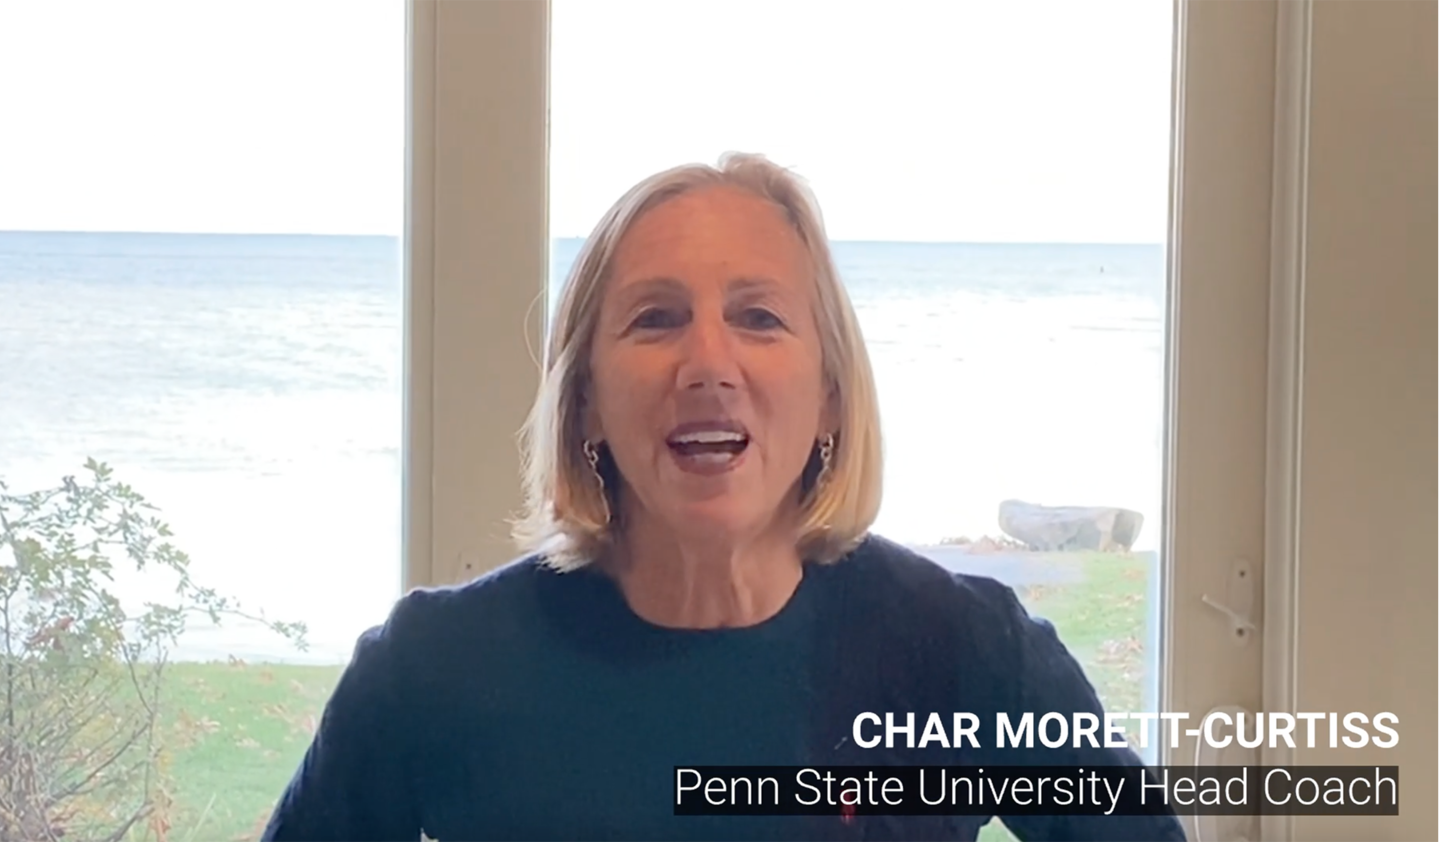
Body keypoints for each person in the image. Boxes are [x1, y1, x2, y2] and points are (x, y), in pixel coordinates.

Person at [259, 153, 1186, 842]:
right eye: (655, 318)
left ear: (830, 395)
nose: (708, 362)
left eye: (759, 317)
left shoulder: (970, 651)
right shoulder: (433, 667)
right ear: (585, 400)